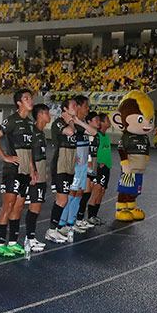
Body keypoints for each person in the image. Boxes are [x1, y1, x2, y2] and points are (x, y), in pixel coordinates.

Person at [0, 89, 36, 257]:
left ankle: (13, 243)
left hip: (25, 171)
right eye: (26, 98)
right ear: (19, 103)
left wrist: (32, 169)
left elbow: (29, 150)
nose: (30, 101)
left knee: (19, 206)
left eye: (31, 98)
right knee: (8, 206)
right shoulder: (12, 120)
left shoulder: (30, 123)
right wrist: (5, 157)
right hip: (12, 171)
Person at [56, 95, 97, 238]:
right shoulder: (66, 124)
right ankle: (62, 224)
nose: (88, 109)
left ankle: (71, 223)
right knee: (71, 193)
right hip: (74, 164)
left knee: (79, 192)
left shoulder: (80, 123)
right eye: (85, 106)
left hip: (83, 164)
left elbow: (93, 132)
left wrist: (79, 121)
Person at [45, 98, 77, 243]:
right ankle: (51, 231)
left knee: (63, 199)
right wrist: (71, 121)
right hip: (60, 165)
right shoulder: (59, 122)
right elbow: (70, 132)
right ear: (65, 109)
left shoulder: (73, 123)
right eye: (73, 106)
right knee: (62, 199)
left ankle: (55, 229)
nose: (76, 107)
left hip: (70, 166)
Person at [23, 104, 52, 251]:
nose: (50, 116)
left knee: (38, 205)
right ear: (40, 115)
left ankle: (31, 237)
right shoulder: (33, 132)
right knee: (34, 205)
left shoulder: (41, 133)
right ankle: (29, 239)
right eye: (47, 113)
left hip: (40, 171)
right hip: (34, 173)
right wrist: (33, 171)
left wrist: (43, 170)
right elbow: (28, 153)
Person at [75, 111, 101, 227]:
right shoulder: (85, 132)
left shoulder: (96, 134)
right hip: (86, 162)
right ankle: (78, 218)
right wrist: (89, 160)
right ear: (88, 122)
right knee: (85, 191)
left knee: (88, 190)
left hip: (93, 162)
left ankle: (80, 217)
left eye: (99, 120)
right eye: (96, 120)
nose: (98, 122)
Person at [87, 112, 112, 224]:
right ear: (102, 122)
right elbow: (91, 151)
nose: (110, 122)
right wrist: (97, 163)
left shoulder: (106, 136)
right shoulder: (96, 135)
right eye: (107, 119)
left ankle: (95, 215)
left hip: (107, 167)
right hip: (99, 168)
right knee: (97, 191)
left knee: (102, 192)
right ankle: (90, 216)